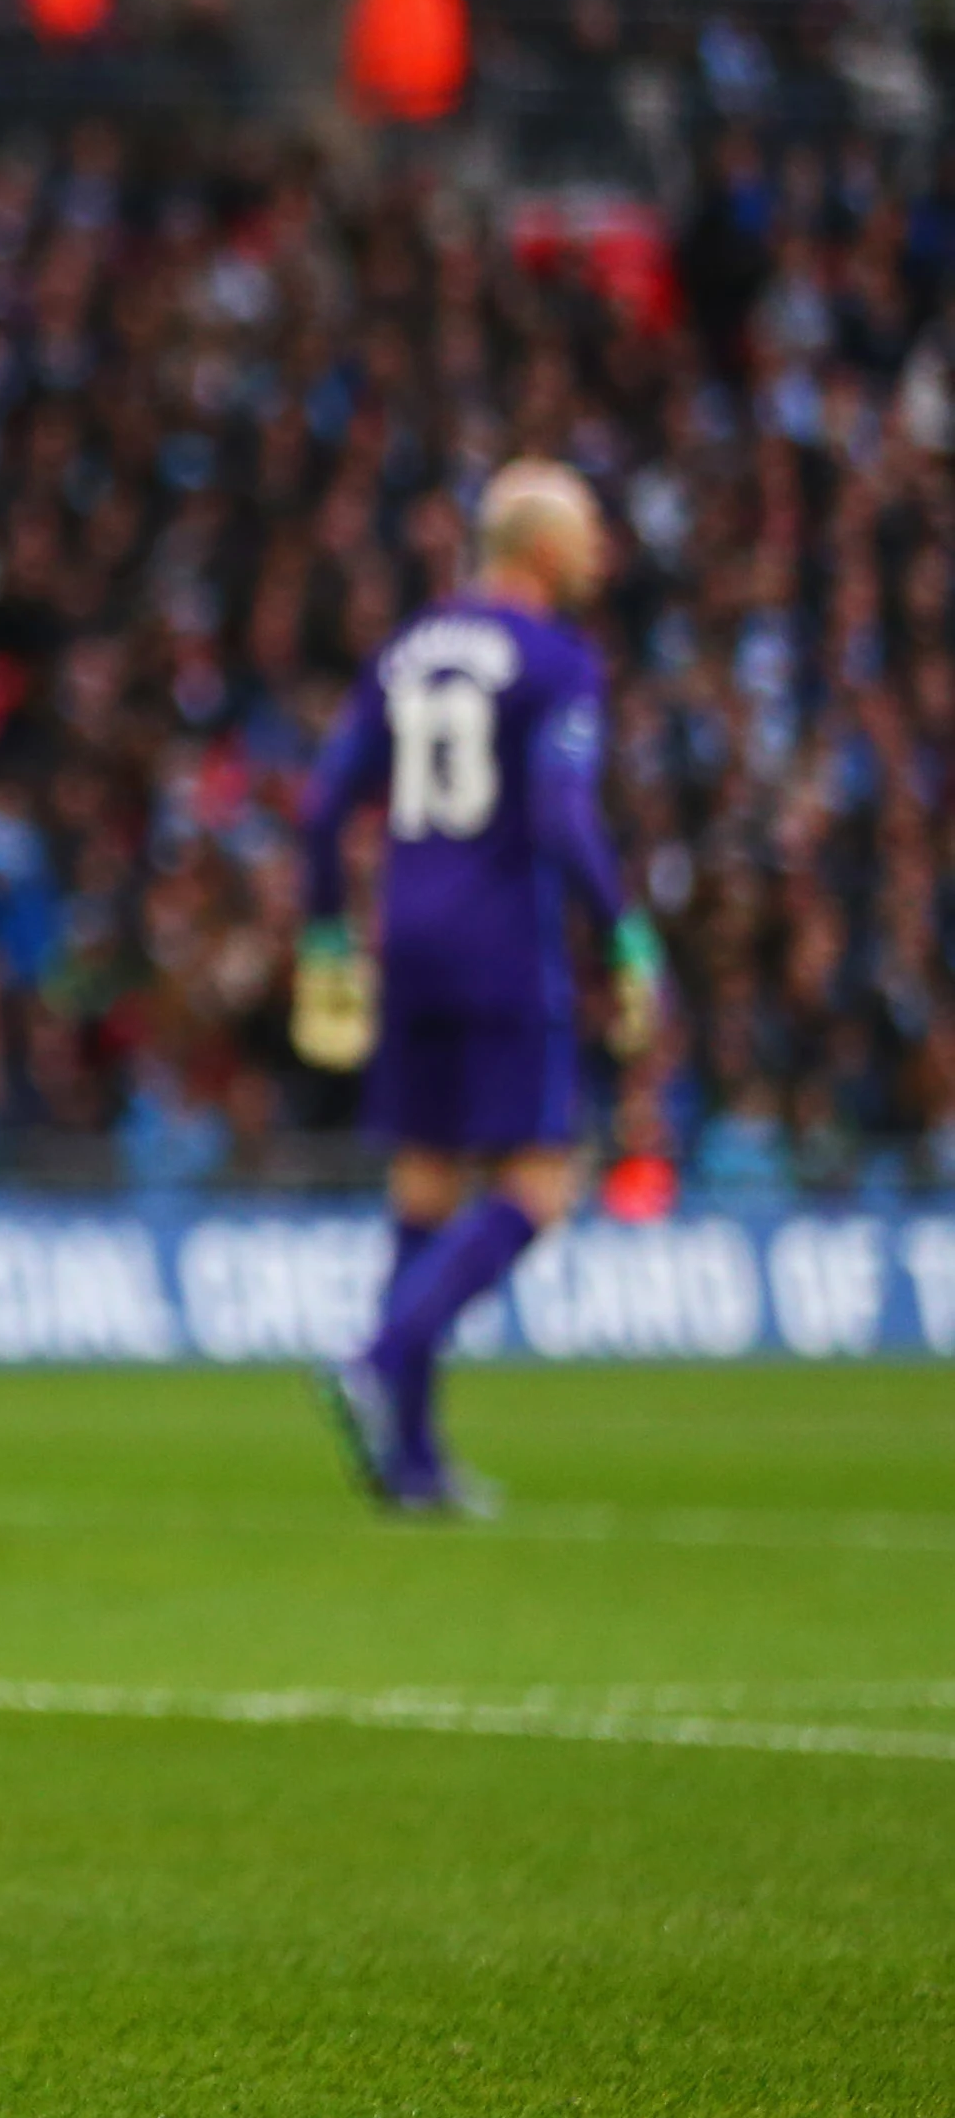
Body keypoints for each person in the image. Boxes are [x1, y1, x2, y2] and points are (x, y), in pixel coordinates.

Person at [291, 461, 663, 1514]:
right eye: (587, 531)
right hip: (505, 943)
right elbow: (558, 811)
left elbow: (324, 810)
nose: (600, 551)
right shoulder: (556, 660)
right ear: (541, 549)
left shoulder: (406, 648)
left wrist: (326, 935)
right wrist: (624, 929)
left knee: (424, 1184)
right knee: (541, 1185)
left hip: (404, 938)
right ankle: (380, 1357)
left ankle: (409, 1462)